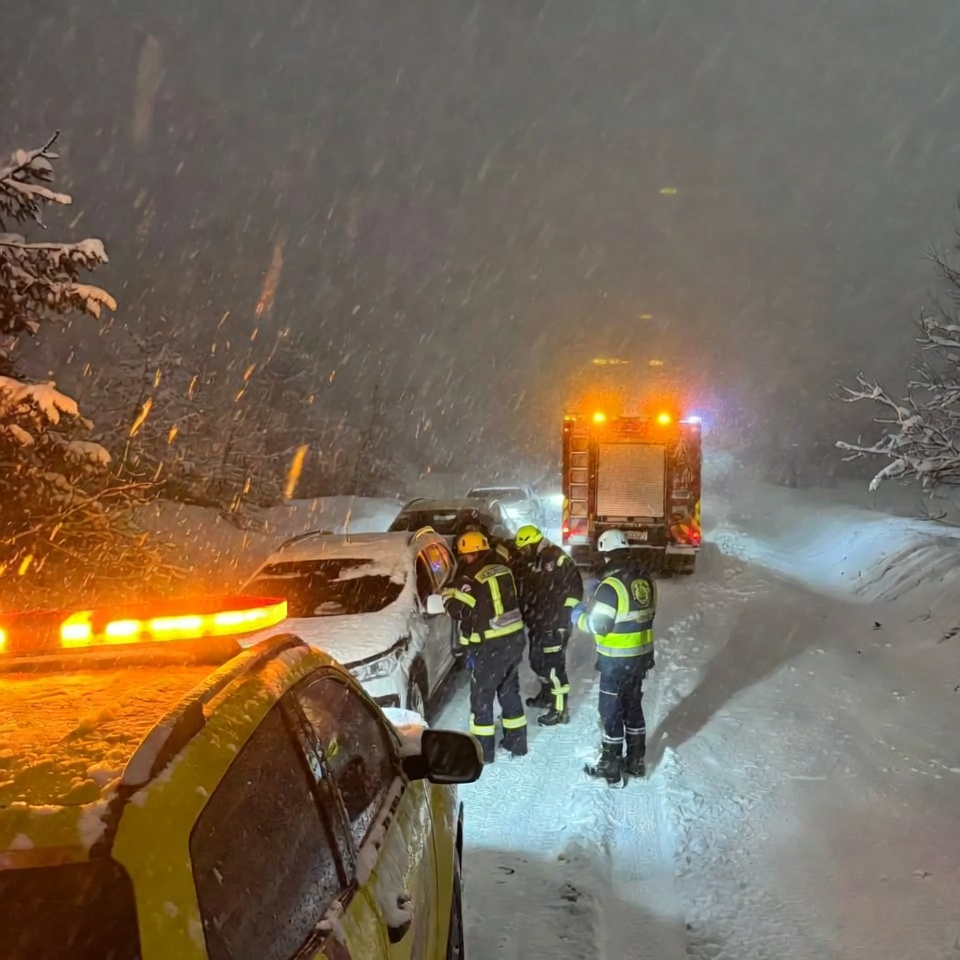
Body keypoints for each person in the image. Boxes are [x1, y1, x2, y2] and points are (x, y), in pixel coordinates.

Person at [571, 529, 656, 784]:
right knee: (632, 708)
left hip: (616, 660)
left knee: (610, 711)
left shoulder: (610, 587)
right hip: (640, 656)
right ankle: (636, 761)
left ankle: (610, 763)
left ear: (606, 555)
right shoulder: (645, 579)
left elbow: (600, 626)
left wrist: (578, 617)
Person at [443, 530, 528, 764]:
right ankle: (517, 742)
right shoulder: (503, 568)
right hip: (514, 640)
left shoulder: (472, 577)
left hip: (491, 645)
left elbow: (456, 610)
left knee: (482, 698)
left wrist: (448, 593)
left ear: (468, 554)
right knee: (509, 691)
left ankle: (483, 752)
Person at [514, 524, 583, 726]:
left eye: (523, 548)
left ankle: (560, 709)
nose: (522, 553)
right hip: (540, 622)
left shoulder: (554, 559)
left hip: (554, 624)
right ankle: (546, 696)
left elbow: (573, 591)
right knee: (537, 661)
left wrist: (562, 620)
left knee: (553, 667)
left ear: (531, 543)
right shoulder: (537, 560)